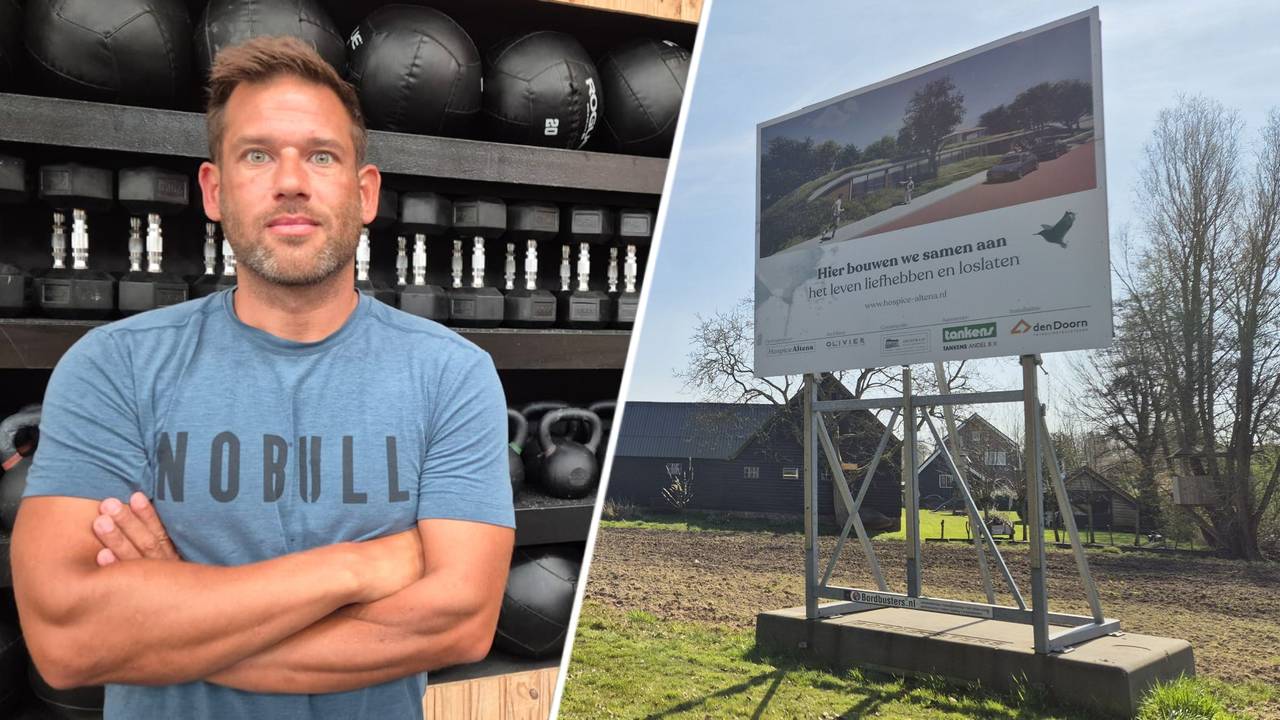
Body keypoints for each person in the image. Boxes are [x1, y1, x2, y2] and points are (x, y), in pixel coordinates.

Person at [11, 37, 515, 720]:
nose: (290, 181)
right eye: (256, 154)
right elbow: (70, 641)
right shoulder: (114, 368)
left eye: (321, 155)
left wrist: (163, 620)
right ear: (214, 191)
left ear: (364, 193)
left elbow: (458, 623)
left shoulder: (451, 376)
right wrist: (355, 568)